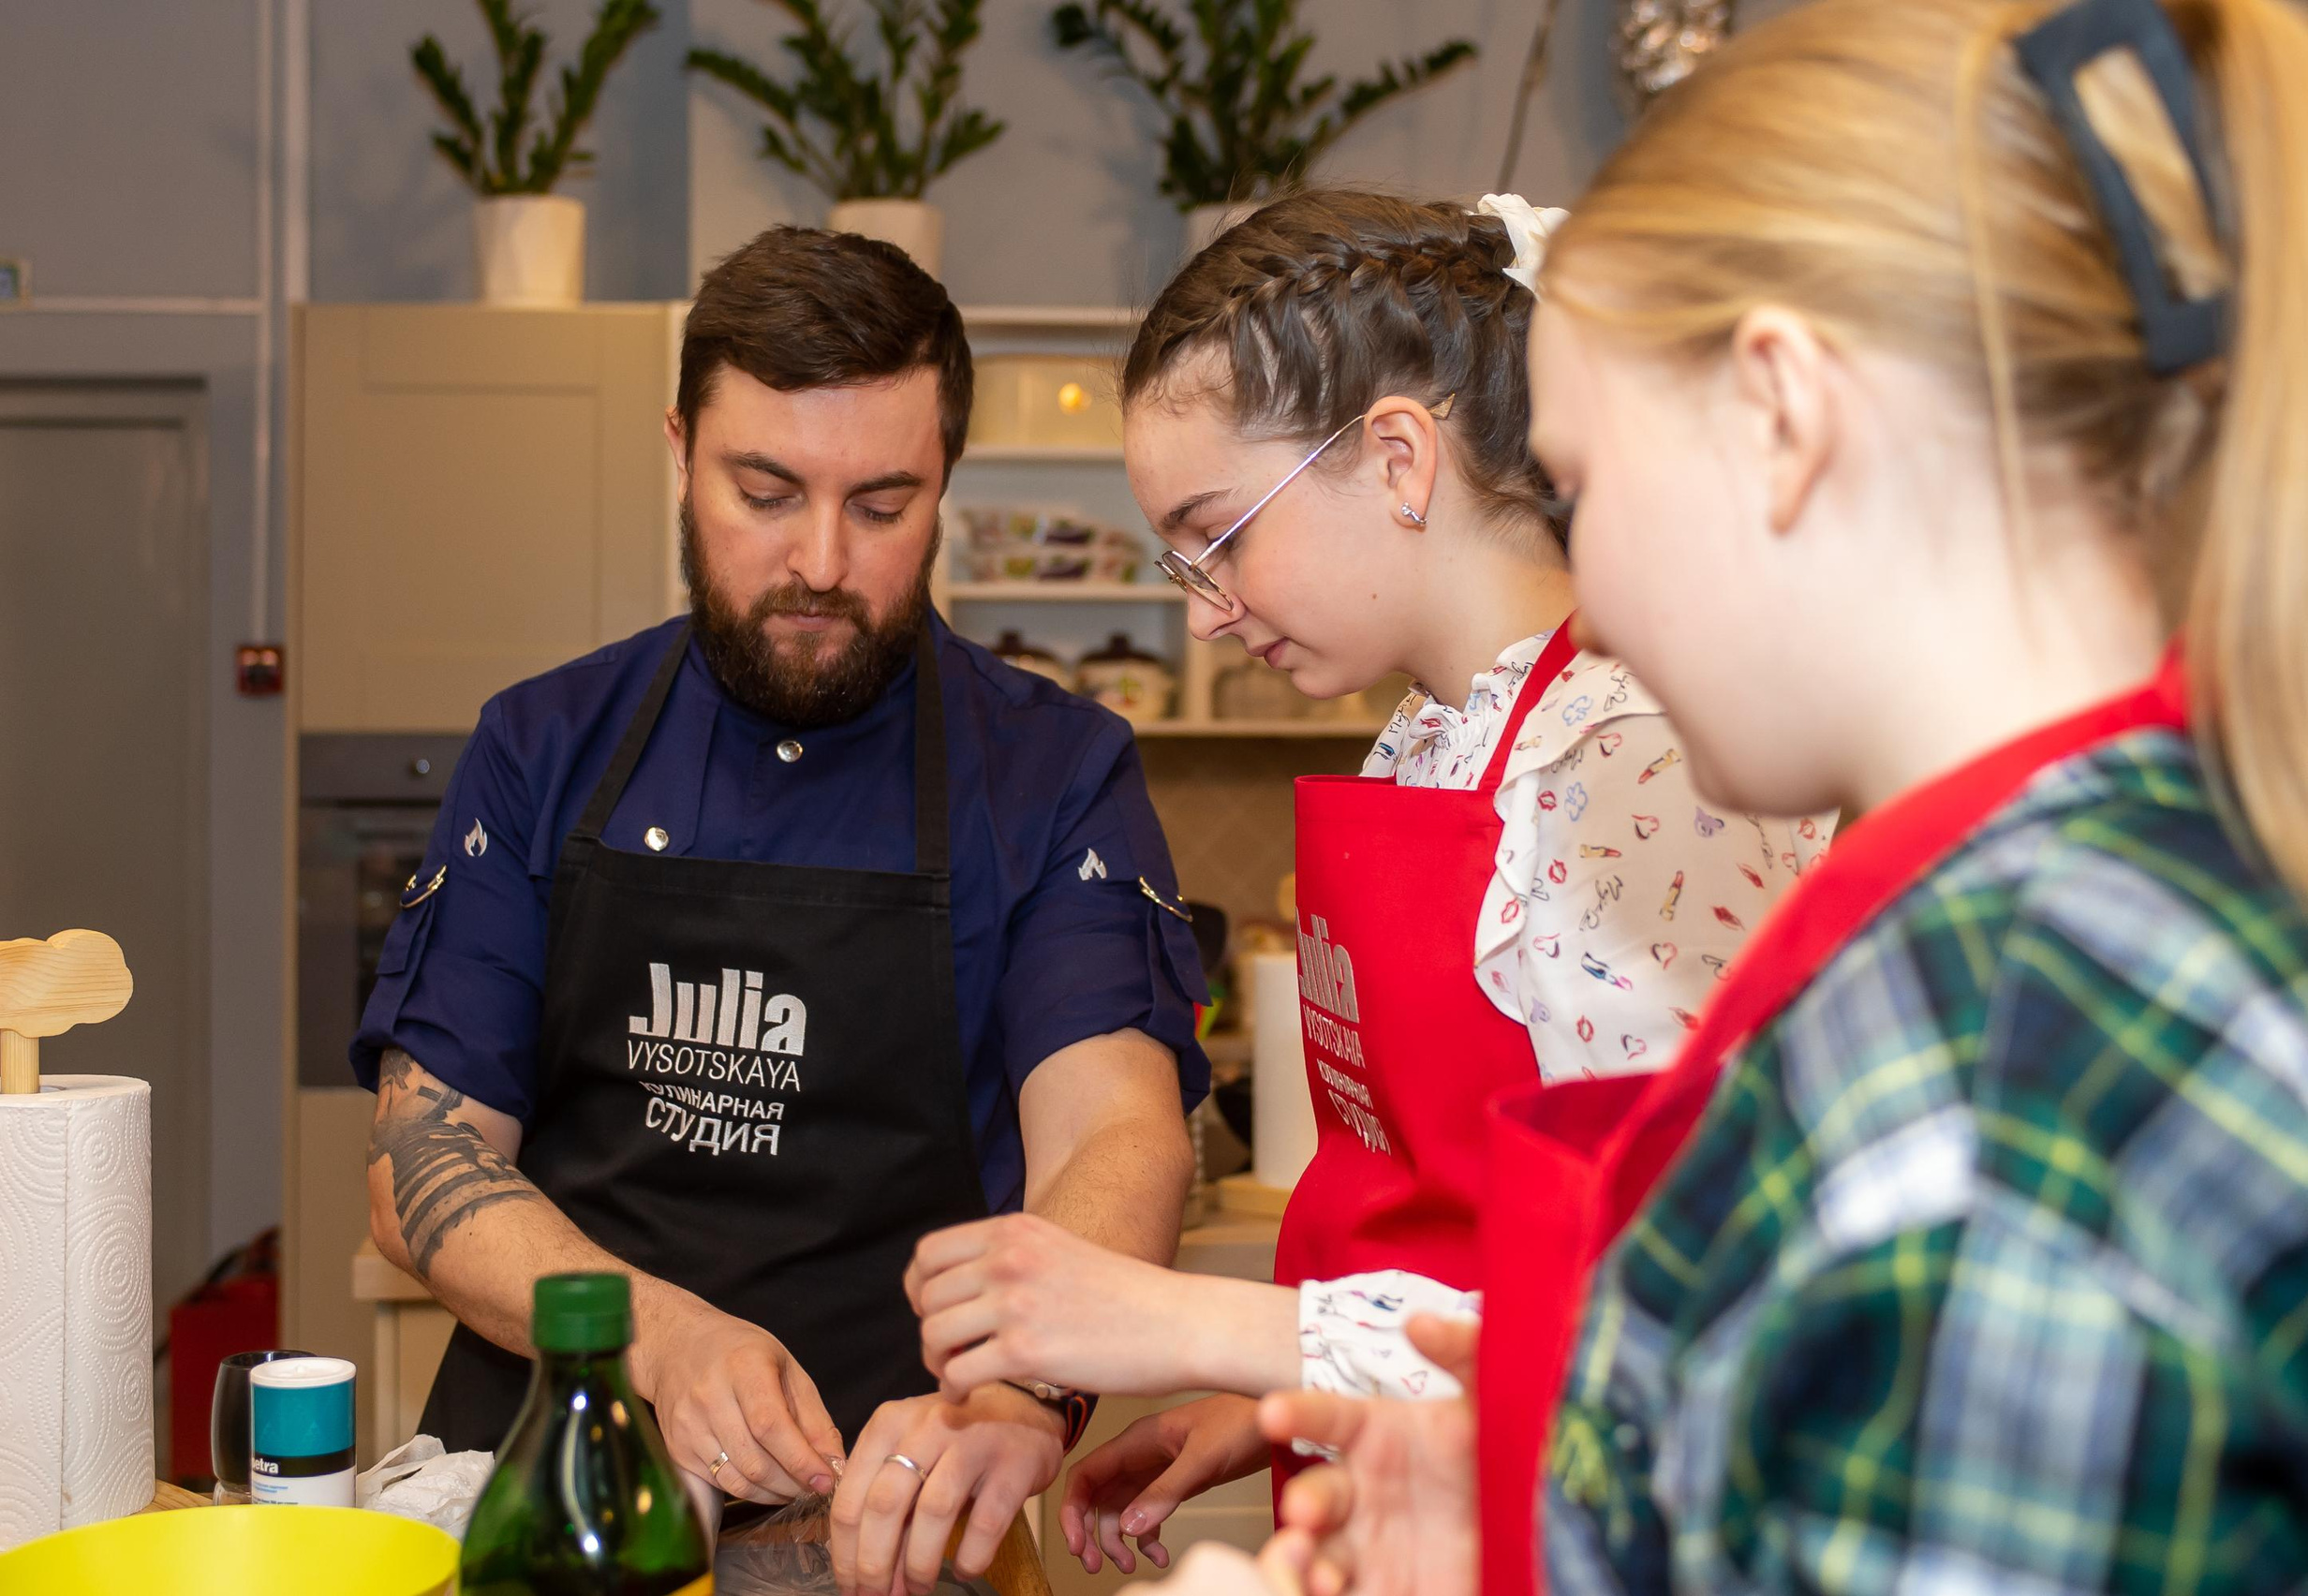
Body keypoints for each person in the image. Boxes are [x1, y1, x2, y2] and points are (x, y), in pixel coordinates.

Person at [1150, 0, 2308, 1589]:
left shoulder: (1995, 1056)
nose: (1596, 606)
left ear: (1781, 420)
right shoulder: (2040, 912)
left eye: (1593, 483)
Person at [899, 188, 1831, 1577]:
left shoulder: (1627, 767)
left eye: (1219, 536)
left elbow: (1660, 1324)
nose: (1205, 606)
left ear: (1400, 458)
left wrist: (1194, 1326)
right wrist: (1288, 1407)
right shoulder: (1429, 743)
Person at [352, 225, 1211, 1595]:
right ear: (681, 450)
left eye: (882, 505)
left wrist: (1016, 1397)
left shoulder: (1053, 773)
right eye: (766, 491)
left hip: (903, 1514)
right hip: (558, 1510)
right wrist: (650, 1337)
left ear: (945, 484)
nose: (819, 563)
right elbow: (421, 1164)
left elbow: (1113, 1132)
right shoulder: (543, 745)